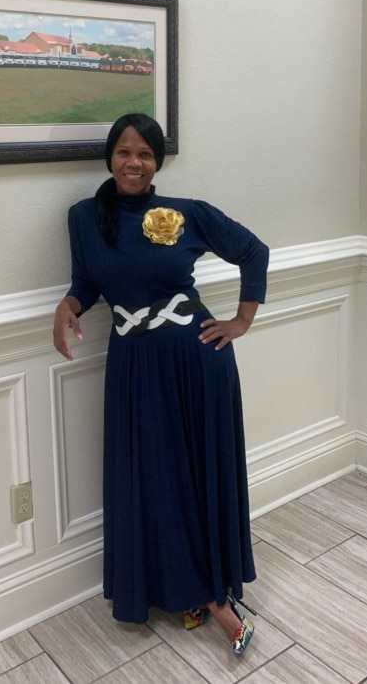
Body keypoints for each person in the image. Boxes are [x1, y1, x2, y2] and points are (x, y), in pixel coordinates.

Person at [53, 113, 269, 659]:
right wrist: (67, 305)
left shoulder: (185, 213)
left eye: (145, 154)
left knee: (197, 473)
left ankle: (215, 596)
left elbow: (254, 252)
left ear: (157, 163)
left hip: (195, 360)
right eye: (125, 152)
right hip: (133, 362)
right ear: (110, 157)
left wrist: (240, 322)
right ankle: (179, 589)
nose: (134, 163)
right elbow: (86, 285)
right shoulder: (83, 218)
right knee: (152, 476)